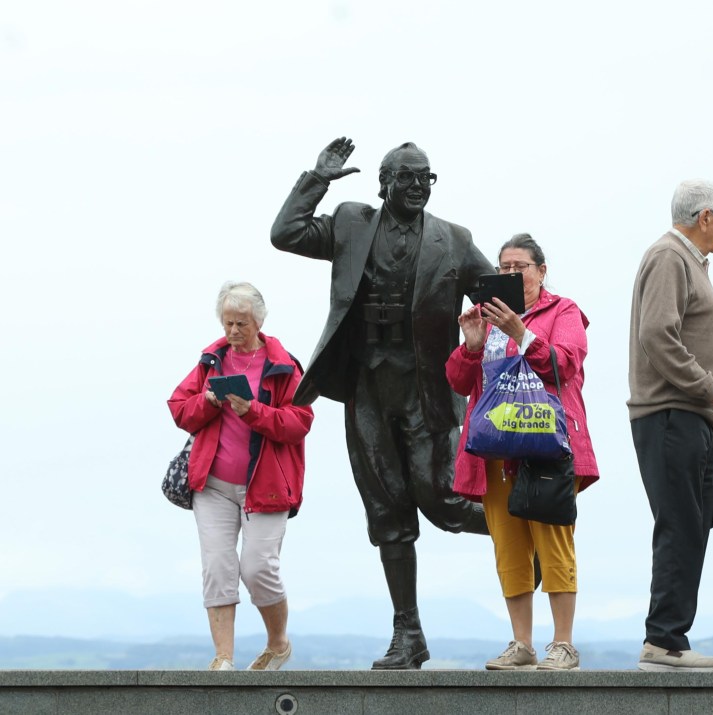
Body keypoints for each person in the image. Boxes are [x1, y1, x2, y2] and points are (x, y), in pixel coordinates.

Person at [270, 137, 494, 669]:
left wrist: (544, 323)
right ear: (384, 182)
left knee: (441, 500)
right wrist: (316, 180)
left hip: (426, 392)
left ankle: (519, 524)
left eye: (426, 178)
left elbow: (501, 296)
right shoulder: (350, 222)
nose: (418, 187)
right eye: (408, 178)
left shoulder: (454, 240)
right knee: (387, 511)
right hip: (367, 388)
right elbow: (285, 233)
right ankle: (408, 634)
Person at [446, 233, 599, 671]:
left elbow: (564, 363)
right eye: (504, 268)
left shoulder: (563, 310)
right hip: (495, 450)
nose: (512, 275)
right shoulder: (487, 318)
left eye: (521, 267)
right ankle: (521, 643)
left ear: (542, 271)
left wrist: (522, 332)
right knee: (508, 546)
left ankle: (564, 644)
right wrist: (472, 346)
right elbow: (459, 382)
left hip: (545, 446)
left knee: (553, 539)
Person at [628, 180, 713, 672]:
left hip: (689, 415)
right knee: (680, 524)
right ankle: (663, 642)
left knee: (694, 524)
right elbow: (657, 335)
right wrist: (712, 388)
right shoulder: (669, 258)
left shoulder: (687, 262)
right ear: (704, 217)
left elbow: (679, 333)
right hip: (673, 414)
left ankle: (670, 639)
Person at [168, 281, 314, 671]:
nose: (233, 331)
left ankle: (278, 643)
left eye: (242, 323)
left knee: (257, 567)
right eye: (228, 322)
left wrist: (253, 412)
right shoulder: (209, 360)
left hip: (265, 486)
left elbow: (300, 421)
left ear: (259, 322)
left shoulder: (284, 365)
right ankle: (223, 659)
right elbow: (179, 409)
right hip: (212, 485)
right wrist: (209, 401)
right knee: (218, 567)